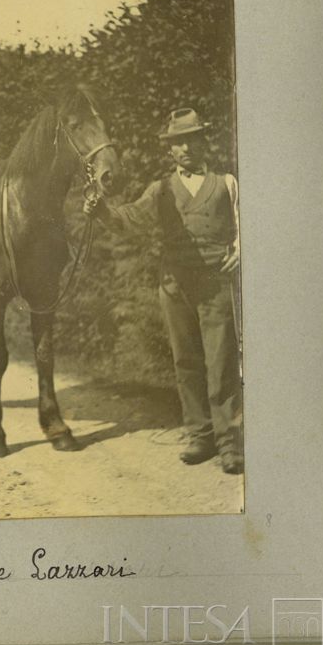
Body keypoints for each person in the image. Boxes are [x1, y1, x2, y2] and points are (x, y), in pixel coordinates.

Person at [86, 107, 243, 474]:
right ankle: (200, 436)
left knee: (221, 361)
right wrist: (101, 210)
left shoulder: (227, 183)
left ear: (203, 141)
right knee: (186, 361)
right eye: (178, 142)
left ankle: (229, 443)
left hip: (215, 283)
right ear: (170, 149)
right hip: (174, 284)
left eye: (191, 140)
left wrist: (241, 249)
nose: (185, 148)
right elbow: (129, 218)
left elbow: (247, 225)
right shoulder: (161, 190)